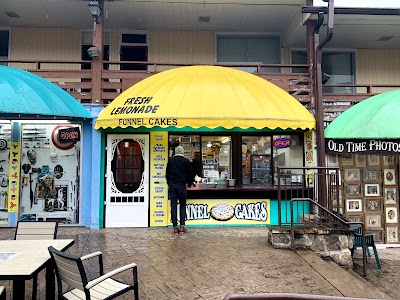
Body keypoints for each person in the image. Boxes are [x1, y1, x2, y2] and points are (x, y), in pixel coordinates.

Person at [166, 145, 193, 234]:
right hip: (181, 186)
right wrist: (189, 183)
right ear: (182, 152)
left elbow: (167, 174)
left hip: (172, 185)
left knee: (173, 206)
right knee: (182, 205)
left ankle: (174, 227)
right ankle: (182, 226)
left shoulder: (170, 161)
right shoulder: (186, 161)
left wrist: (169, 183)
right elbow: (190, 174)